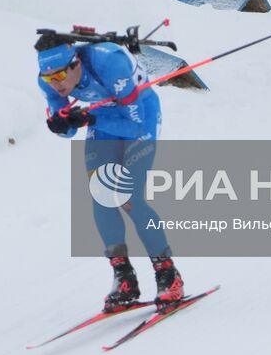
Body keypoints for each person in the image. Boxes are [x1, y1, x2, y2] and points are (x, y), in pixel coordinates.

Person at [37, 33, 185, 313]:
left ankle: (168, 274)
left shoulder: (110, 63)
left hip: (140, 117)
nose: (55, 84)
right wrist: (62, 124)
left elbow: (134, 126)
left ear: (75, 64)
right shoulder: (48, 80)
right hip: (103, 123)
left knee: (130, 198)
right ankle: (124, 277)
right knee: (102, 197)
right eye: (48, 78)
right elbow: (66, 130)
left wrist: (90, 118)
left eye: (59, 76)